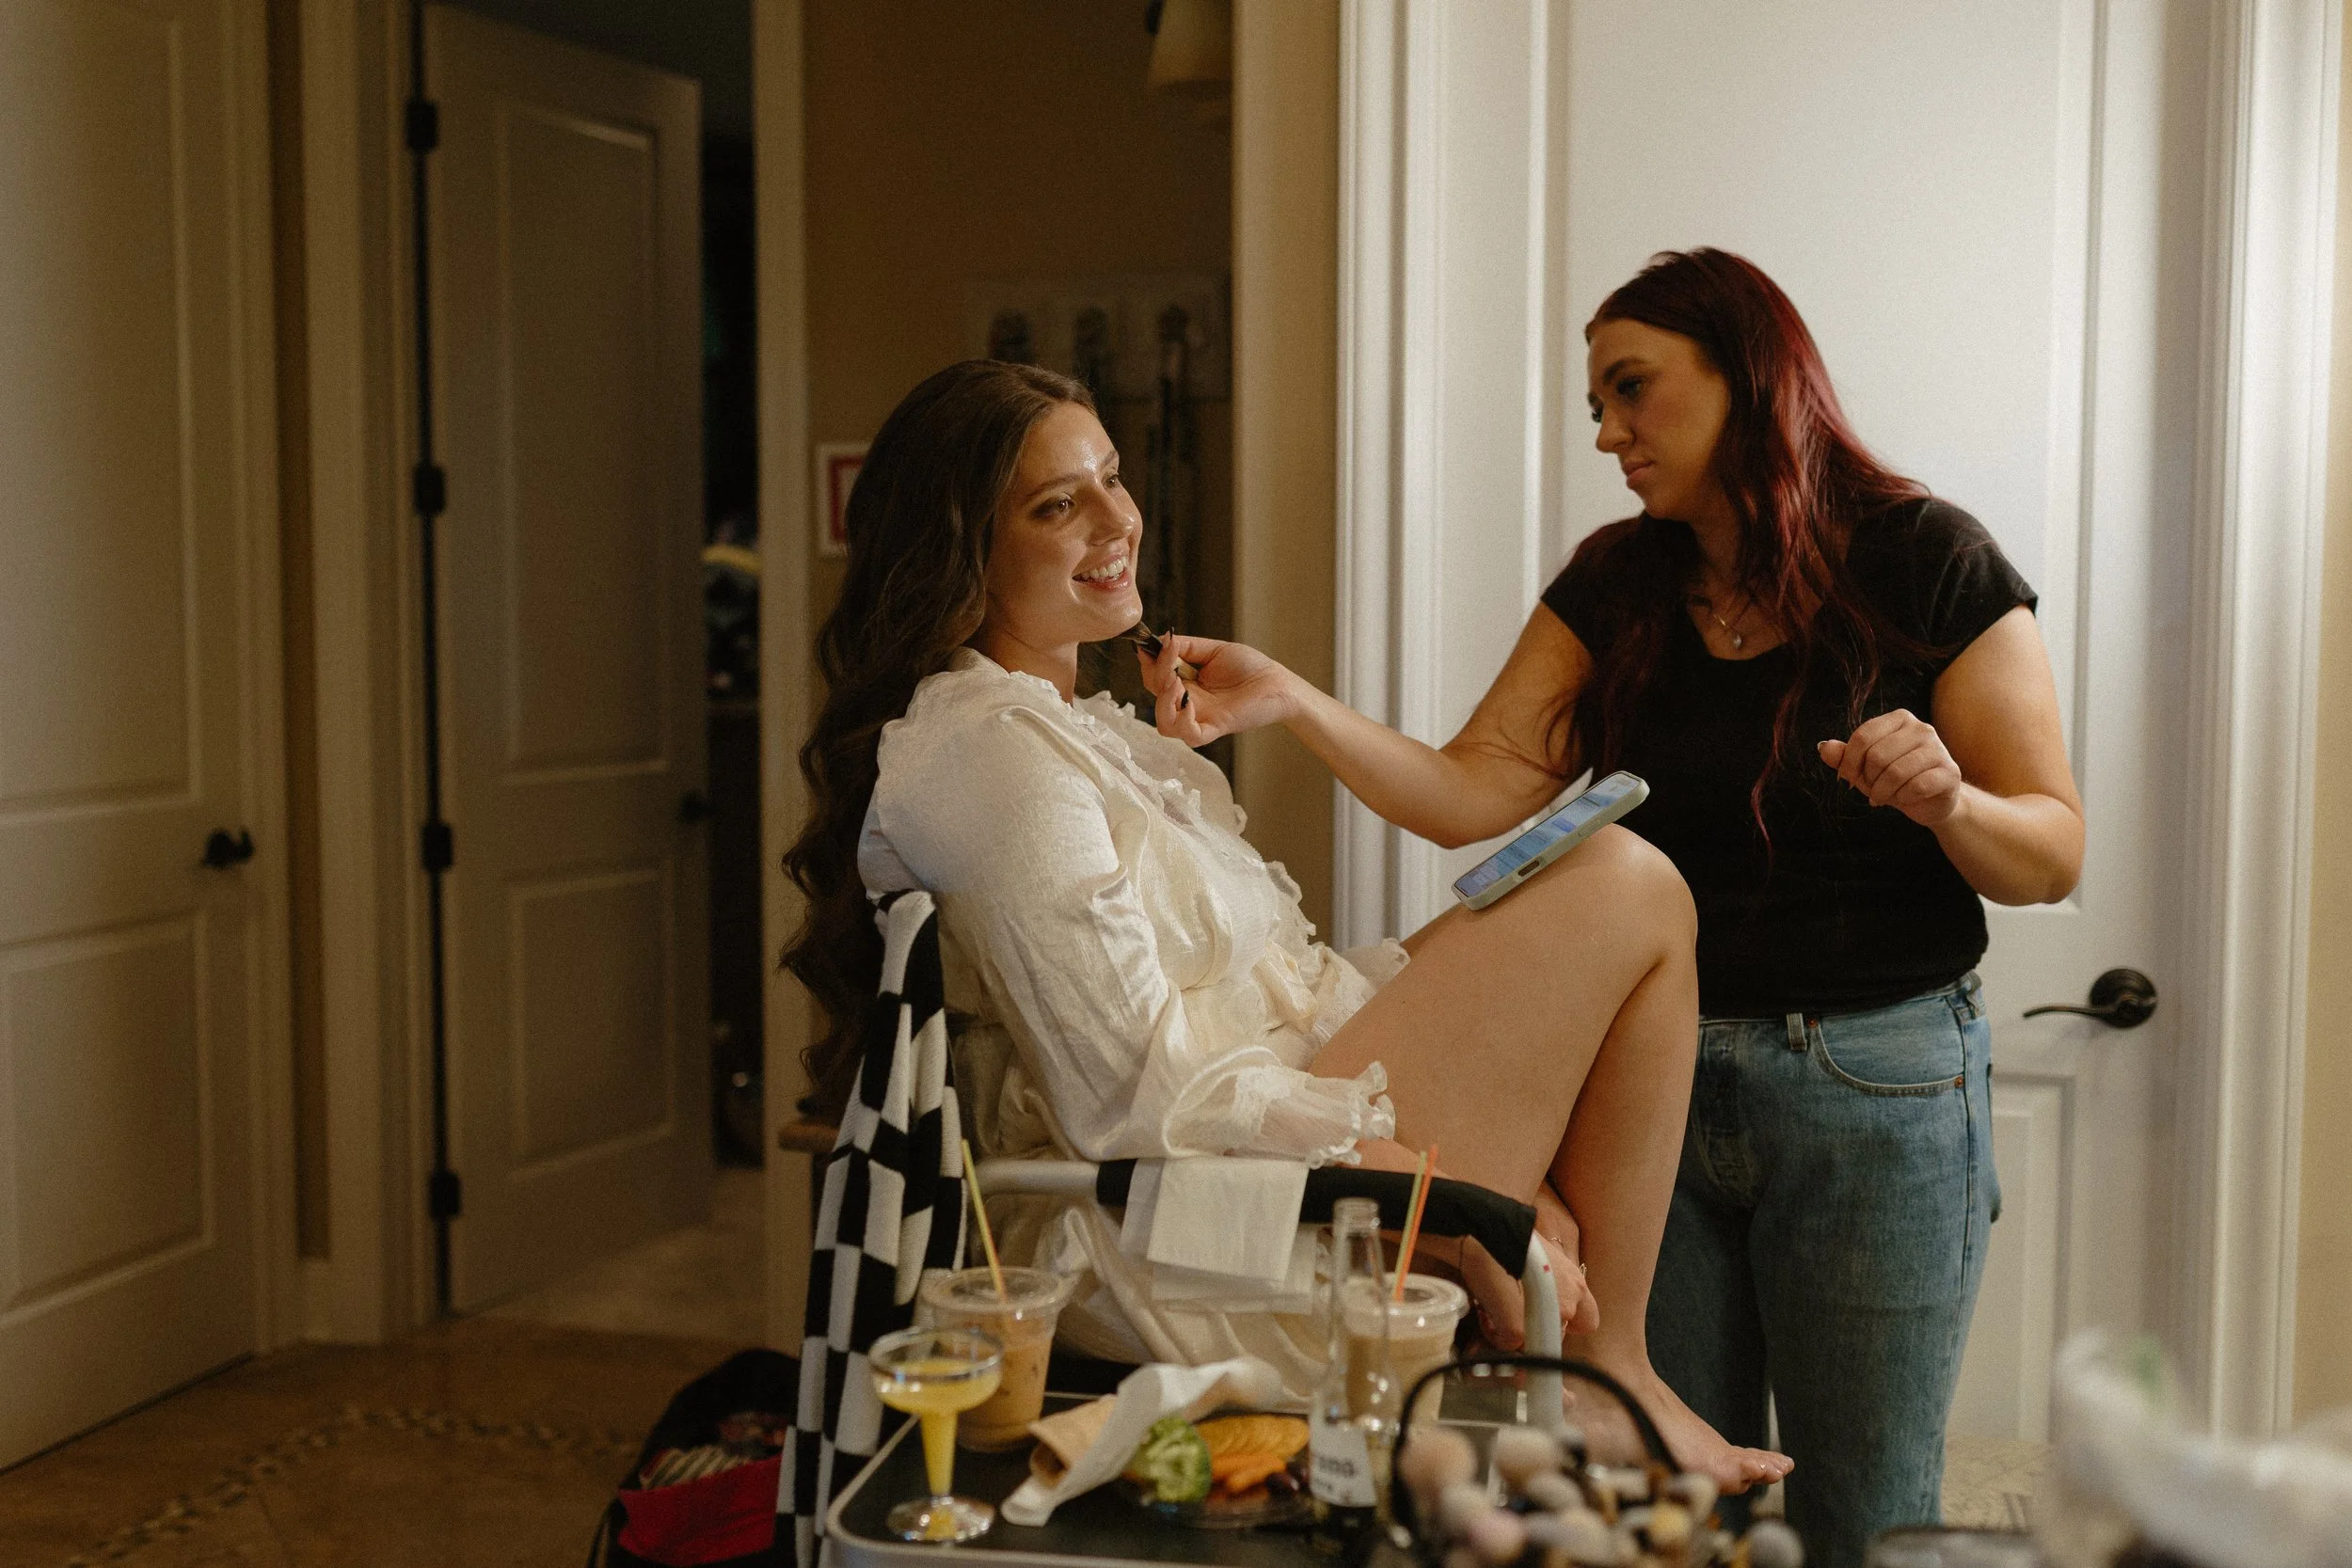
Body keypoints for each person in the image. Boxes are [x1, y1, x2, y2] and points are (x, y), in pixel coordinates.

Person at [1135, 249, 2081, 1567]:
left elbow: (2051, 852)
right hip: (1656, 1098)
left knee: (1862, 1509)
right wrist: (1295, 701)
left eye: (1631, 390)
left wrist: (1948, 804)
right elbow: (1475, 789)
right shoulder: (1619, 586)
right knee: (1661, 1496)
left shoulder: (1927, 561)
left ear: (1747, 373)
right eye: (1594, 402)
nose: (1606, 433)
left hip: (1879, 1086)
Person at [783, 358, 1790, 1492]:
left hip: (1253, 1171)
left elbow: (1290, 989)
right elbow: (1126, 1094)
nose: (1117, 518)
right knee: (1623, 878)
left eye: (1112, 478)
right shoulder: (991, 755)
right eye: (1056, 504)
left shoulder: (1088, 735)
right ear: (961, 547)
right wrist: (1435, 1194)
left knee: (1604, 878)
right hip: (1181, 1231)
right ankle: (1609, 1372)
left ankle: (1615, 1364)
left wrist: (1509, 1179)